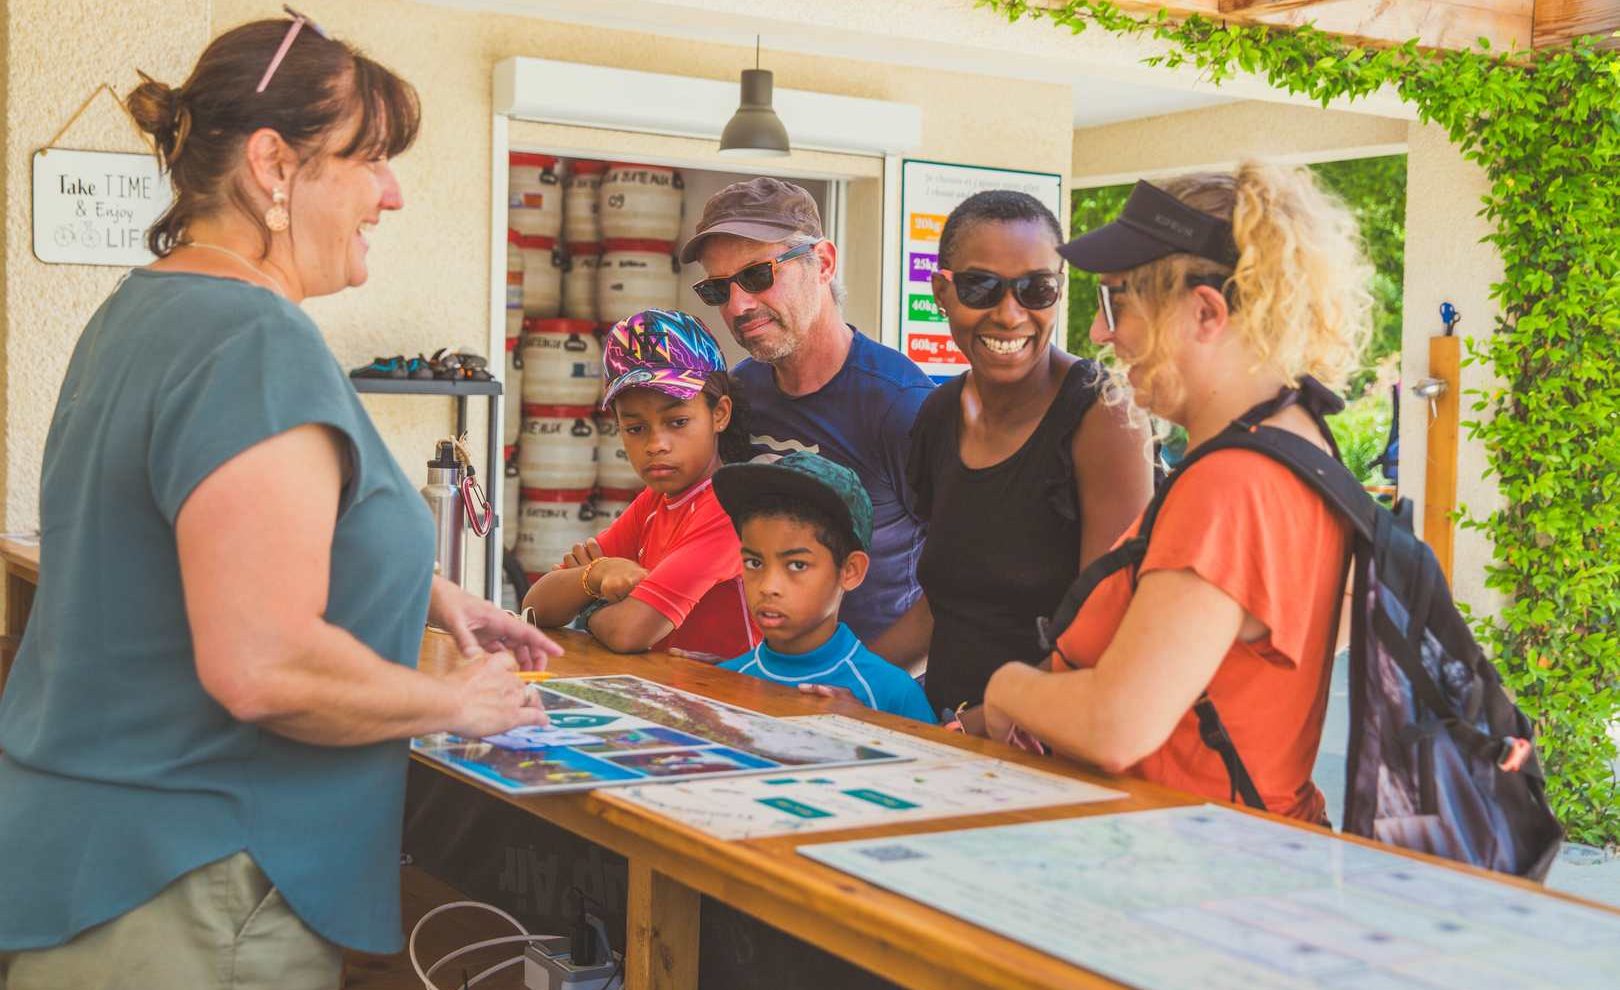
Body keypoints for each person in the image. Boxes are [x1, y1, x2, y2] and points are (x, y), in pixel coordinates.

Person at [0, 15, 560, 990]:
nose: (391, 192)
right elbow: (262, 664)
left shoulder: (148, 309)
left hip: (98, 861)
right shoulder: (255, 343)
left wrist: (428, 592)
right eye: (370, 159)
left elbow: (203, 532)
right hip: (198, 893)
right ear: (272, 167)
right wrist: (453, 701)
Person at [980, 165, 1372, 823]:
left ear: (1204, 311)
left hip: (1195, 866)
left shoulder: (1232, 485)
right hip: (1248, 850)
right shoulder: (1303, 444)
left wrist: (1006, 688)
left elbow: (1117, 726)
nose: (1101, 335)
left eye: (1117, 304)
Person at [876, 190, 1154, 716]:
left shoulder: (1105, 416)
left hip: (1044, 744)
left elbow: (1103, 630)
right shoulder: (938, 416)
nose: (1009, 314)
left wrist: (982, 726)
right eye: (982, 287)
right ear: (943, 289)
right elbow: (946, 608)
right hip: (943, 736)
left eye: (1036, 289)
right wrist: (843, 678)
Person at [683, 178, 933, 647]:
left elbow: (959, 575)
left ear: (823, 263)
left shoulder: (899, 403)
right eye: (718, 289)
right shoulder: (741, 394)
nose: (739, 305)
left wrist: (864, 682)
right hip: (768, 684)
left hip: (870, 700)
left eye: (758, 275)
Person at [523, 309, 759, 660]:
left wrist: (588, 609)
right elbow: (536, 608)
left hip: (733, 703)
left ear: (720, 414)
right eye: (635, 428)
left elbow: (630, 631)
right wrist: (597, 573)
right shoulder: (655, 502)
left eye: (677, 421)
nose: (655, 444)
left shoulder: (729, 507)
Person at [713, 453, 935, 722]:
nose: (768, 587)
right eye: (754, 562)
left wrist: (868, 729)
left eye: (797, 565)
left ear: (850, 571)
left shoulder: (892, 695)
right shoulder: (724, 680)